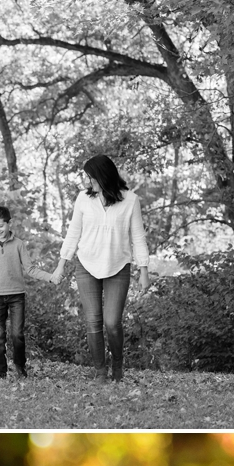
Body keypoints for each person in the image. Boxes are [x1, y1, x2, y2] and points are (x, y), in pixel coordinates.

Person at [49, 154, 151, 383]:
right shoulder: (83, 199)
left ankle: (117, 366)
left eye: (91, 177)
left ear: (103, 176)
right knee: (93, 322)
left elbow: (138, 237)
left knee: (112, 322)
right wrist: (61, 264)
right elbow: (73, 232)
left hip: (118, 266)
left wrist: (144, 270)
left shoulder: (131, 200)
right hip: (86, 265)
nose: (89, 182)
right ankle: (100, 372)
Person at [0, 205, 50, 382]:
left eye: (1, 226)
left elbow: (30, 269)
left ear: (9, 224)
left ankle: (20, 368)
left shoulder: (19, 244)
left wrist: (50, 277)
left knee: (17, 335)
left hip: (16, 297)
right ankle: (1, 372)